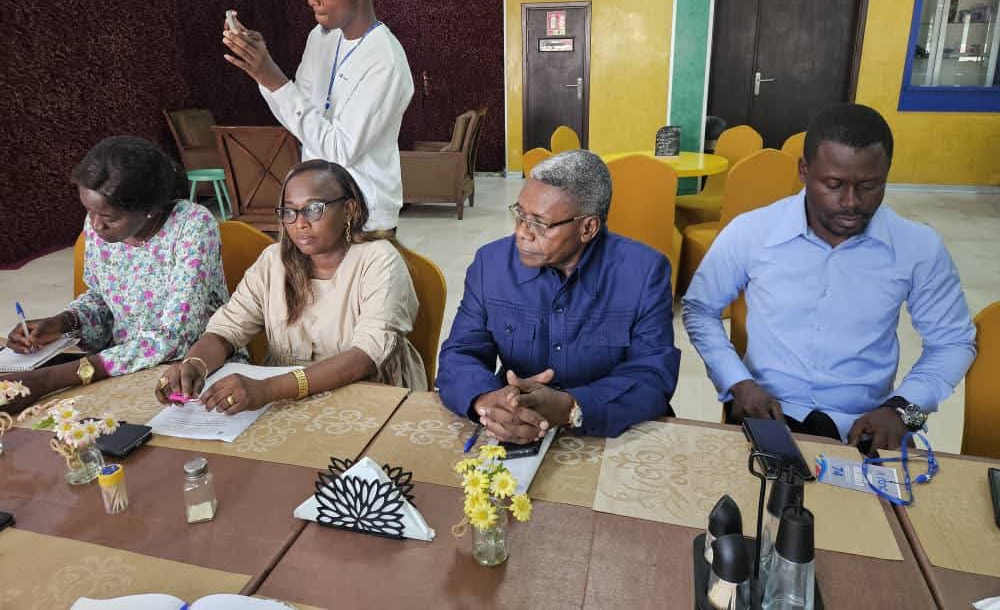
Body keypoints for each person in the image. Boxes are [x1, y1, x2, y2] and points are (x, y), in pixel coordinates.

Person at [683, 104, 976, 450]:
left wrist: (904, 410)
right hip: (770, 412)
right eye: (834, 185)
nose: (851, 202)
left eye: (870, 186)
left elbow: (953, 343)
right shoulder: (753, 232)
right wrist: (737, 382)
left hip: (869, 422)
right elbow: (699, 309)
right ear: (804, 170)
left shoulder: (918, 247)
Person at [436, 150, 681, 441]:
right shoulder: (491, 264)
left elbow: (652, 377)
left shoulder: (644, 272)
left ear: (588, 228)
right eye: (520, 215)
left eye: (540, 223)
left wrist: (572, 407)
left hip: (610, 431)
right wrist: (485, 400)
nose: (522, 232)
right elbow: (460, 353)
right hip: (513, 423)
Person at [156, 160, 427, 414]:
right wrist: (194, 364)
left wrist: (268, 389)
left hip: (366, 395)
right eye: (289, 211)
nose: (300, 223)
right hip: (284, 400)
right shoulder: (273, 261)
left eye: (314, 209)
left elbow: (364, 358)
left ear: (348, 209)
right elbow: (226, 331)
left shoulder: (379, 259)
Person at [3, 137, 228, 411]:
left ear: (149, 209)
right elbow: (102, 298)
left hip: (191, 373)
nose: (96, 225)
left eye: (109, 218)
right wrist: (64, 322)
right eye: (89, 211)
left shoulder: (192, 226)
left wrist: (48, 379)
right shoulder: (98, 224)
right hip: (116, 364)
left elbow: (173, 338)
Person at [222, 0, 413, 232]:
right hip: (315, 207)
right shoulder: (320, 38)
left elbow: (340, 150)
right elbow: (299, 117)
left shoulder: (385, 60)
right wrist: (264, 73)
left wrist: (275, 80)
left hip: (363, 216)